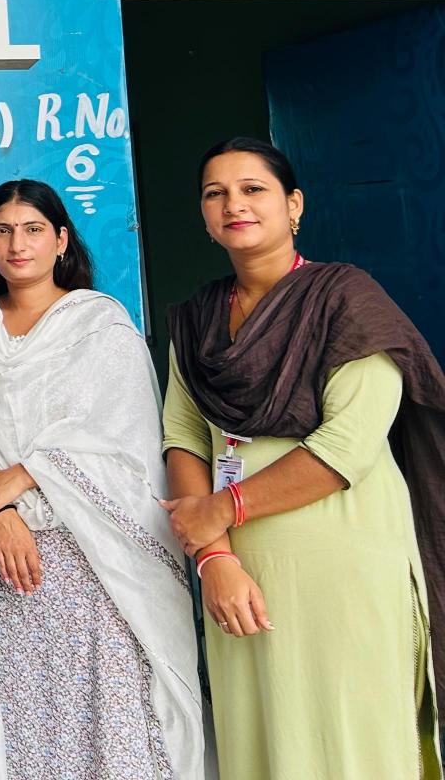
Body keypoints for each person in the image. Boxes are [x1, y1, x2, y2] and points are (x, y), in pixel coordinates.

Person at [161, 135, 445, 780]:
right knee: (261, 744)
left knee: (349, 744)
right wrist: (214, 559)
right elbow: (183, 435)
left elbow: (348, 444)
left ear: (294, 205)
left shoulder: (346, 300)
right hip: (237, 572)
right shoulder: (197, 319)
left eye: (252, 189)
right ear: (204, 217)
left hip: (342, 558)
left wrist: (221, 510)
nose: (234, 204)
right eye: (216, 193)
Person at [0, 179, 206, 780]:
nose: (17, 245)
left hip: (96, 565)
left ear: (61, 240)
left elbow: (125, 443)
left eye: (32, 230)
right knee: (21, 731)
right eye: (2, 231)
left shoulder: (100, 325)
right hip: (3, 562)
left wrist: (27, 474)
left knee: (110, 724)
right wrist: (1, 512)